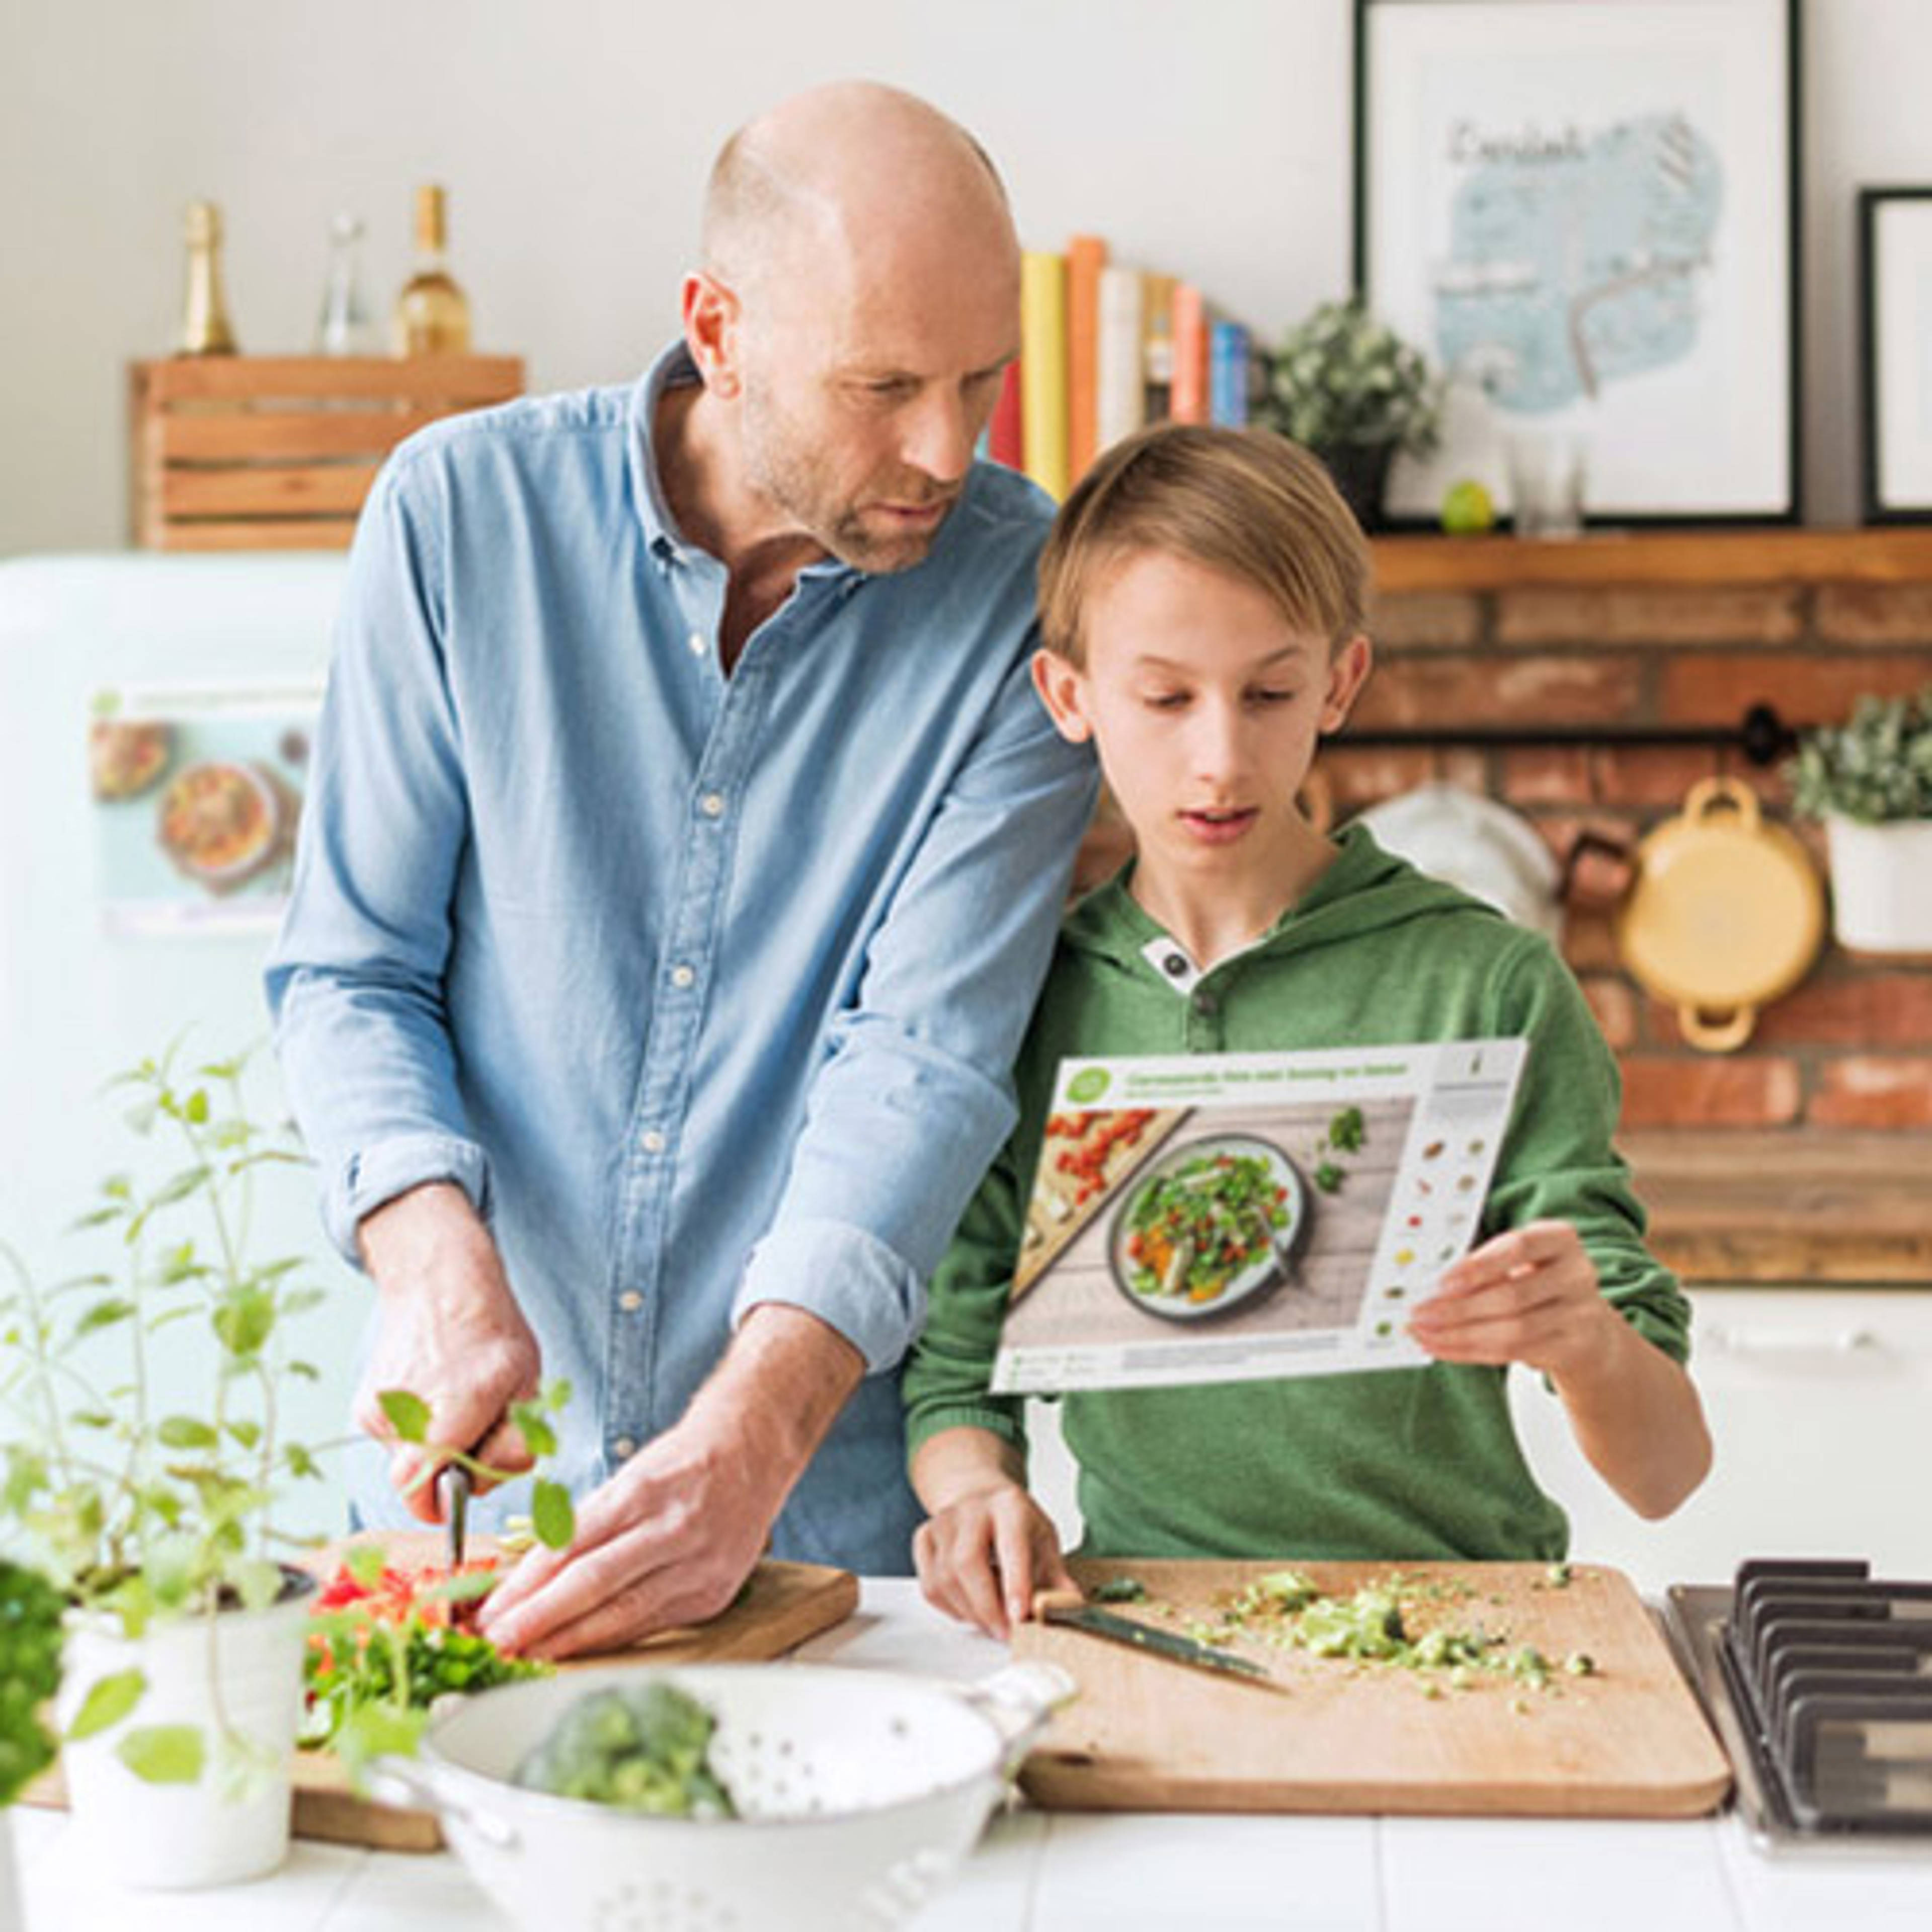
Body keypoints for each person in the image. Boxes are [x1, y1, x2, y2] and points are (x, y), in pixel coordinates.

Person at [266, 81, 1095, 1659]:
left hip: (821, 1539)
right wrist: (433, 1258)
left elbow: (919, 1061)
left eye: (982, 381)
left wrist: (759, 1431)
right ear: (718, 330)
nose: (944, 447)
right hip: (460, 1508)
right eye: (885, 385)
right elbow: (352, 969)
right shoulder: (458, 518)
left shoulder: (1024, 600)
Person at [903, 424, 1713, 1639]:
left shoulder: (1486, 986)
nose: (1219, 758)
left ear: (1340, 683)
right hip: (1156, 1623)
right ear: (1068, 696)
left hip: (1468, 1623)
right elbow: (956, 1373)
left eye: (1270, 693)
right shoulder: (1029, 1000)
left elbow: (1667, 1473)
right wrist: (976, 1493)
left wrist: (1588, 1343)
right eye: (1165, 697)